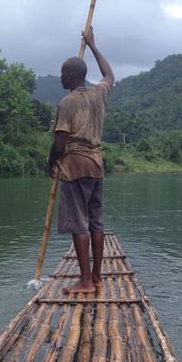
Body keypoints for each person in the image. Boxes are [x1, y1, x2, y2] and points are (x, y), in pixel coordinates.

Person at [48, 26, 114, 294]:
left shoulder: (67, 102)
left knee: (79, 223)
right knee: (96, 221)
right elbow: (109, 75)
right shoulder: (98, 94)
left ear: (72, 75)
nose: (61, 76)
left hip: (75, 168)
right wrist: (94, 46)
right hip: (97, 166)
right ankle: (97, 277)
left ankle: (86, 281)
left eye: (64, 72)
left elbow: (60, 143)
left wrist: (51, 163)